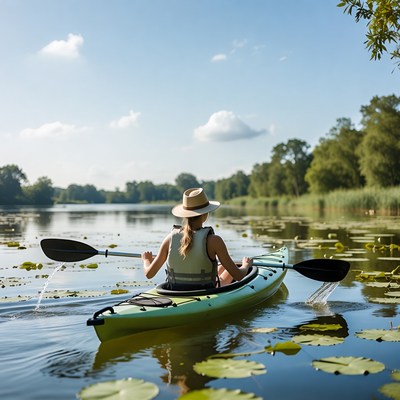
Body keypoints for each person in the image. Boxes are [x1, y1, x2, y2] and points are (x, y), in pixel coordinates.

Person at [142, 188, 253, 290]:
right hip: (203, 291)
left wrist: (146, 260)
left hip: (175, 289)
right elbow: (238, 276)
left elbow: (149, 274)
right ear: (205, 214)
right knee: (231, 268)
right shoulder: (215, 241)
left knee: (222, 266)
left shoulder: (170, 238)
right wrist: (246, 265)